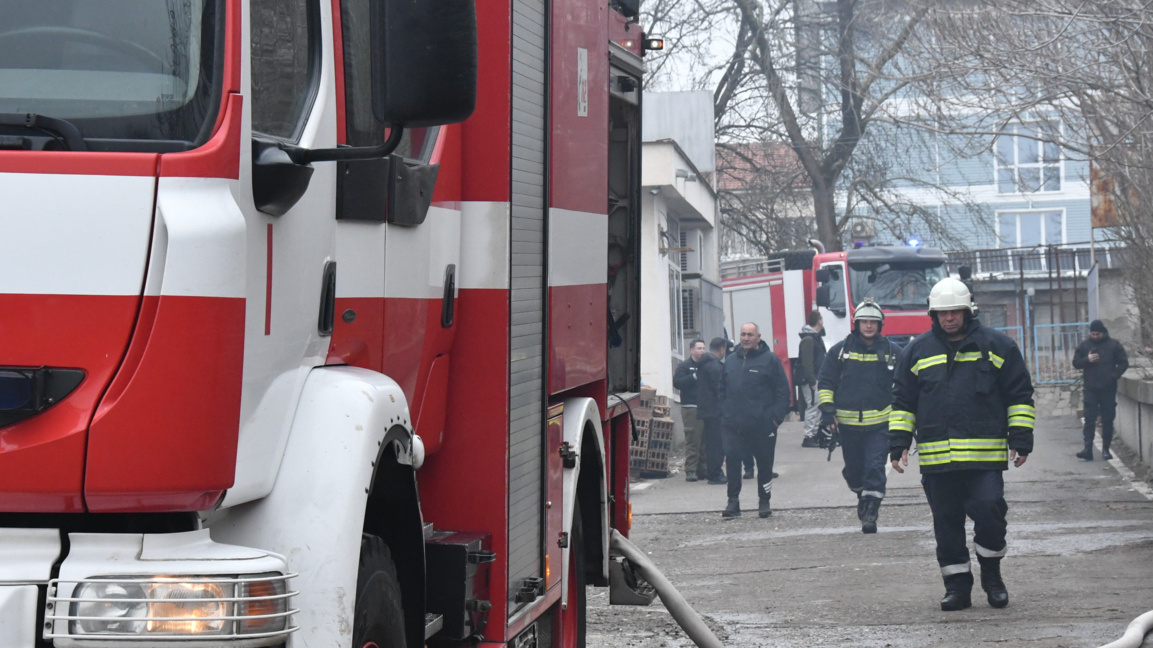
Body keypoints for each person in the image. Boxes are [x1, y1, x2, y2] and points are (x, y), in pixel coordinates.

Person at [889, 277, 1035, 611]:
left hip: (985, 460)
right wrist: (898, 442)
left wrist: (1021, 438)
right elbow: (902, 402)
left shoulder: (998, 346)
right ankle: (957, 588)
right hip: (938, 462)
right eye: (943, 312)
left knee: (990, 513)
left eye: (955, 311)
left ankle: (992, 576)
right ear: (933, 314)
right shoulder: (916, 351)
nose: (949, 317)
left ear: (968, 311)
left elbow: (1019, 395)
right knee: (947, 524)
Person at [817, 298, 902, 533]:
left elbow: (905, 385)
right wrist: (827, 412)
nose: (869, 326)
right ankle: (861, 493)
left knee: (875, 466)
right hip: (848, 425)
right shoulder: (839, 352)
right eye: (864, 321)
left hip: (881, 424)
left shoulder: (893, 353)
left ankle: (870, 511)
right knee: (854, 471)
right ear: (856, 324)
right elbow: (825, 382)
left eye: (873, 322)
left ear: (880, 324)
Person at [720, 323, 791, 519]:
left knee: (765, 464)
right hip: (733, 425)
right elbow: (721, 389)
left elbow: (783, 391)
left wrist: (776, 419)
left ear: (758, 337)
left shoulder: (770, 360)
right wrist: (724, 413)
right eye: (743, 334)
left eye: (750, 335)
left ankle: (764, 501)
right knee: (732, 461)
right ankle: (733, 502)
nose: (746, 338)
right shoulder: (731, 360)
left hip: (763, 425)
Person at [1072, 320, 1129, 461]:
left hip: (1108, 389)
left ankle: (1106, 449)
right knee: (1089, 419)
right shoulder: (1085, 345)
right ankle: (1087, 448)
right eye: (1093, 334)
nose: (1095, 336)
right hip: (1090, 388)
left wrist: (1114, 376)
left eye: (1097, 334)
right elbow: (1076, 363)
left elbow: (1123, 363)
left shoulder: (1114, 345)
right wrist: (1087, 359)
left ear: (1103, 332)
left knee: (1107, 419)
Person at [673, 339, 709, 481]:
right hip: (690, 407)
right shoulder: (685, 366)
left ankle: (703, 469)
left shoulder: (706, 366)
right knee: (693, 440)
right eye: (699, 348)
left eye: (703, 348)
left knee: (704, 440)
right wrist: (693, 377)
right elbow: (677, 382)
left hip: (704, 407)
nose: (702, 351)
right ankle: (691, 470)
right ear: (692, 350)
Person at [701, 337, 729, 484]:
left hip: (707, 410)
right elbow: (720, 389)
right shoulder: (715, 366)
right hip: (715, 411)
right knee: (717, 444)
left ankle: (712, 471)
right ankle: (715, 474)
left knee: (711, 443)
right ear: (722, 349)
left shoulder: (705, 363)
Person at [798, 311, 827, 448]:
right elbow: (807, 363)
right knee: (813, 406)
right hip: (811, 380)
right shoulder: (809, 340)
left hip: (815, 378)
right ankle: (809, 436)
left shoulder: (813, 338)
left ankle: (813, 434)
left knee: (817, 405)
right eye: (822, 319)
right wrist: (812, 381)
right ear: (819, 321)